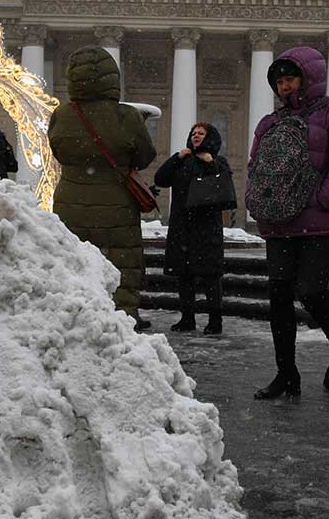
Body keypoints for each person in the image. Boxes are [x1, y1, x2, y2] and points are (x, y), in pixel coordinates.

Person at [247, 47, 329, 398]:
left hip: (318, 222)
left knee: (311, 291)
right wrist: (258, 199)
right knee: (279, 297)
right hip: (278, 221)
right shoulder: (270, 122)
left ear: (308, 78)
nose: (284, 87)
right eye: (279, 81)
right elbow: (256, 165)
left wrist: (325, 198)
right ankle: (286, 374)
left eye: (290, 79)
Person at [48, 46, 156, 330]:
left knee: (75, 265)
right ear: (112, 78)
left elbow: (58, 151)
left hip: (70, 204)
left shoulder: (62, 115)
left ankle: (75, 322)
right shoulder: (126, 116)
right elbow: (145, 156)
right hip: (116, 205)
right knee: (121, 262)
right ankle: (120, 325)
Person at [154, 122, 229, 335]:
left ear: (210, 137)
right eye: (194, 133)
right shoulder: (182, 161)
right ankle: (187, 318)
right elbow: (160, 179)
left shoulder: (218, 162)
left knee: (210, 276)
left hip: (207, 227)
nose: (196, 136)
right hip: (182, 227)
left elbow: (225, 188)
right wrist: (176, 157)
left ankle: (215, 320)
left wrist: (212, 163)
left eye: (201, 133)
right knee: (184, 275)